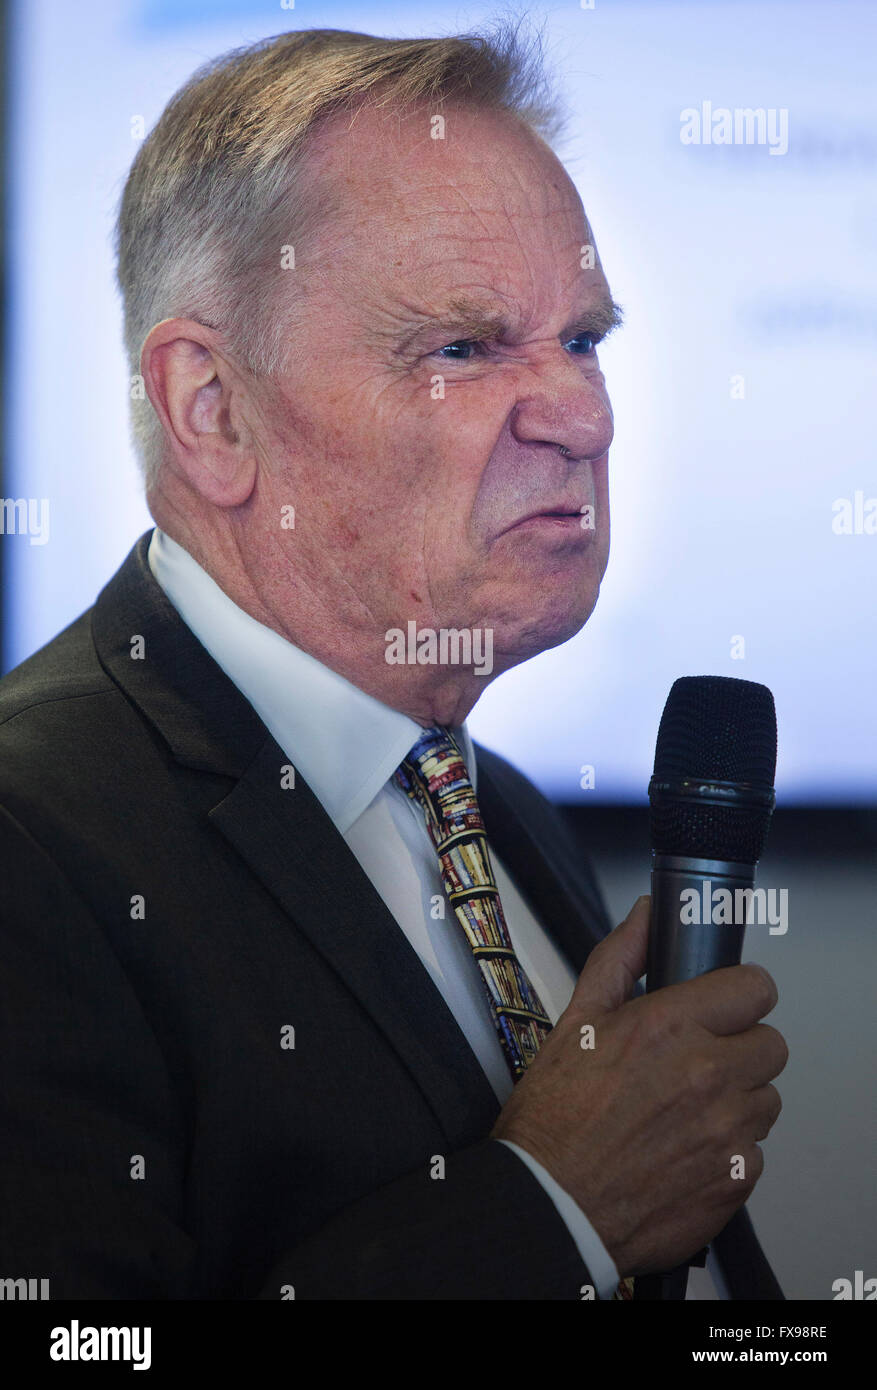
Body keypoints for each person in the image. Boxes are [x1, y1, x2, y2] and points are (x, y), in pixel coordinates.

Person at [0, 26, 787, 1300]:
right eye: (463, 350)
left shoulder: (498, 810)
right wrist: (553, 1209)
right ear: (213, 410)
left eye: (584, 340)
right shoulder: (31, 843)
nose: (582, 418)